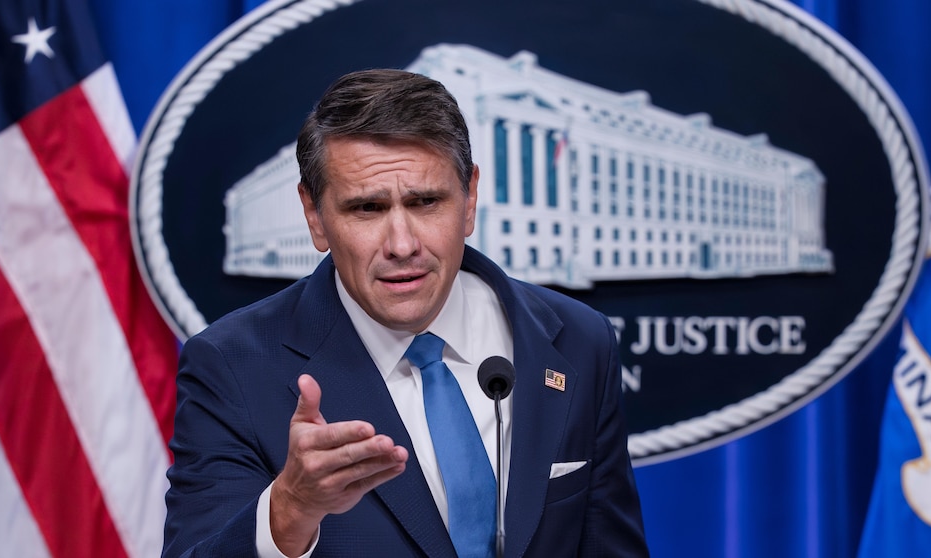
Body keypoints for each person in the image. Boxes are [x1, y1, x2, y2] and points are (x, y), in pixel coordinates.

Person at [162, 68, 648, 558]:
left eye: (426, 202)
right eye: (367, 209)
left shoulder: (578, 340)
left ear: (469, 198)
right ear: (315, 216)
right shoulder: (233, 367)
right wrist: (288, 512)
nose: (402, 245)